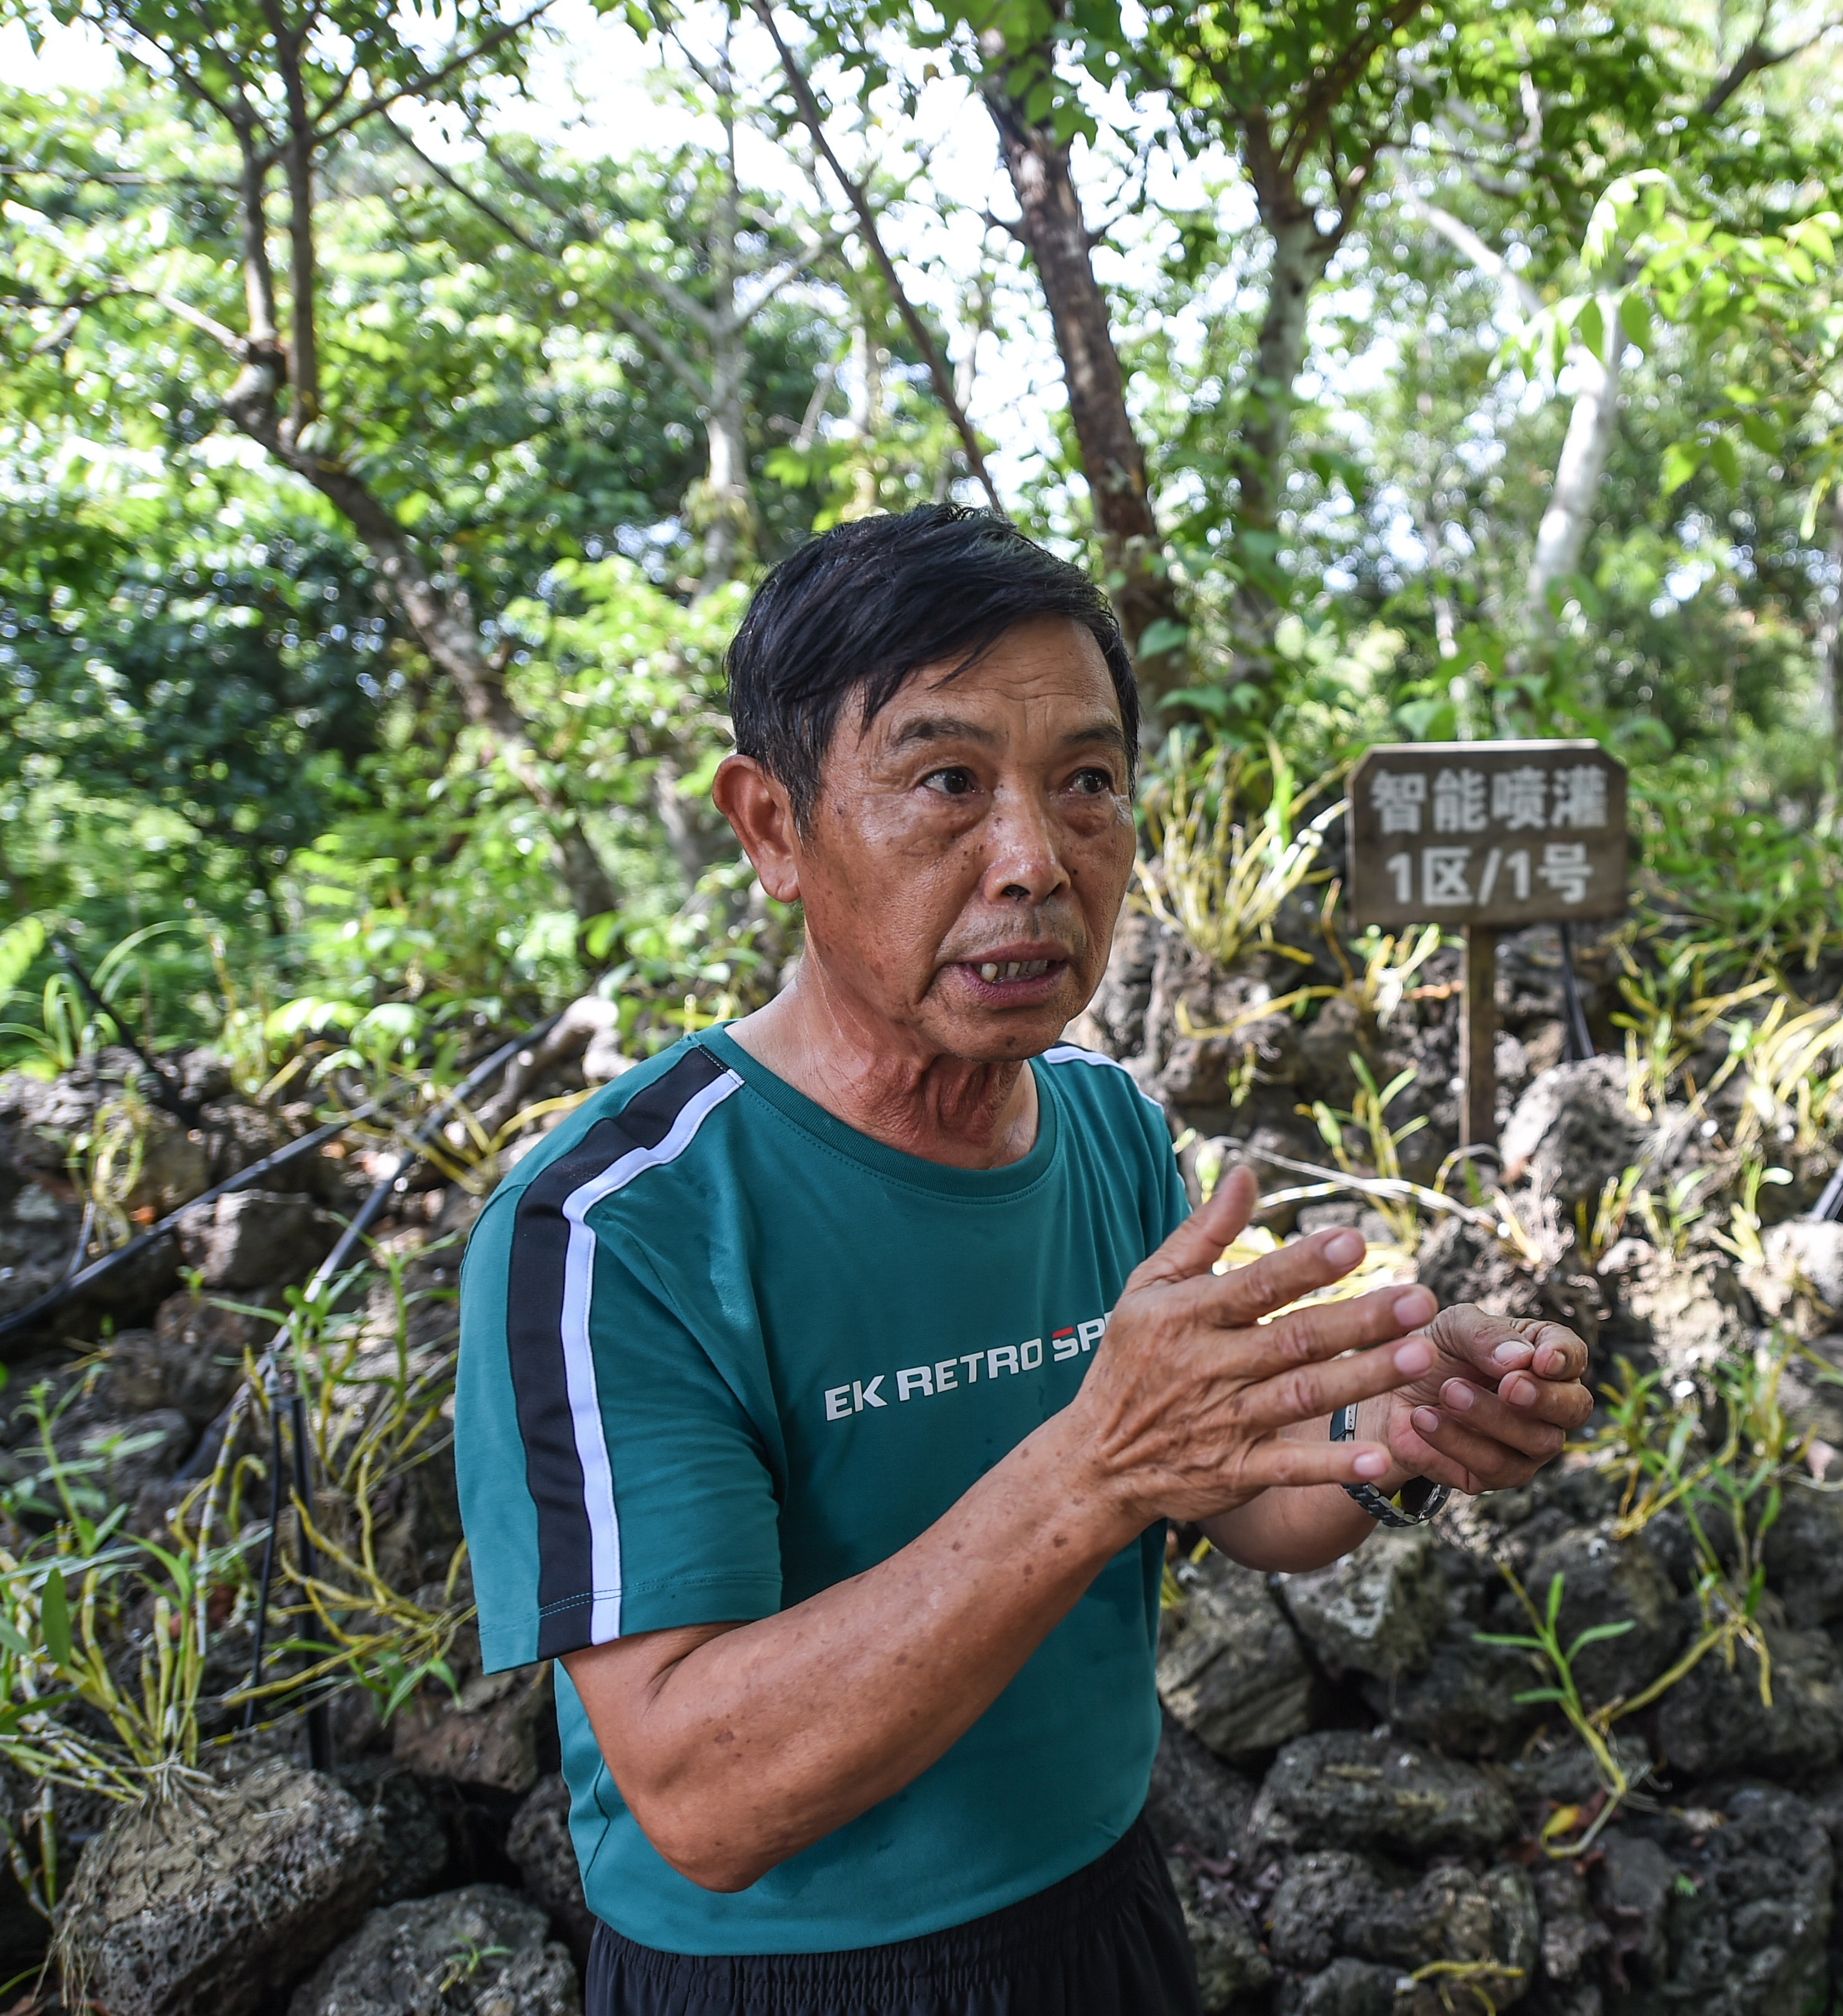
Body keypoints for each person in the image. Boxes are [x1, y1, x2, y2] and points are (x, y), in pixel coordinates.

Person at [451, 504, 1596, 2016]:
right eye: (945, 782)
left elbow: (1249, 1497)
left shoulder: (1107, 1127)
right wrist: (1093, 1467)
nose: (1033, 862)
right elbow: (702, 1796)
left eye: (1087, 787)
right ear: (771, 827)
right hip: (777, 1981)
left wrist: (1391, 1429)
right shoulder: (613, 1226)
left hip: (1103, 1914)